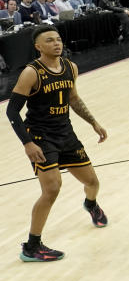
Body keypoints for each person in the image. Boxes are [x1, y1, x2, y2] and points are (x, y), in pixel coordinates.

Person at [5, 25, 108, 262]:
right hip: (41, 136)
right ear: (38, 47)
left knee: (92, 182)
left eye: (58, 39)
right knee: (51, 189)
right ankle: (32, 246)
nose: (56, 43)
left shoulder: (70, 67)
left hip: (66, 134)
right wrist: (28, 143)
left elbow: (73, 98)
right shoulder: (32, 73)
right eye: (50, 40)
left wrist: (93, 122)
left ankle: (90, 204)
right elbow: (12, 111)